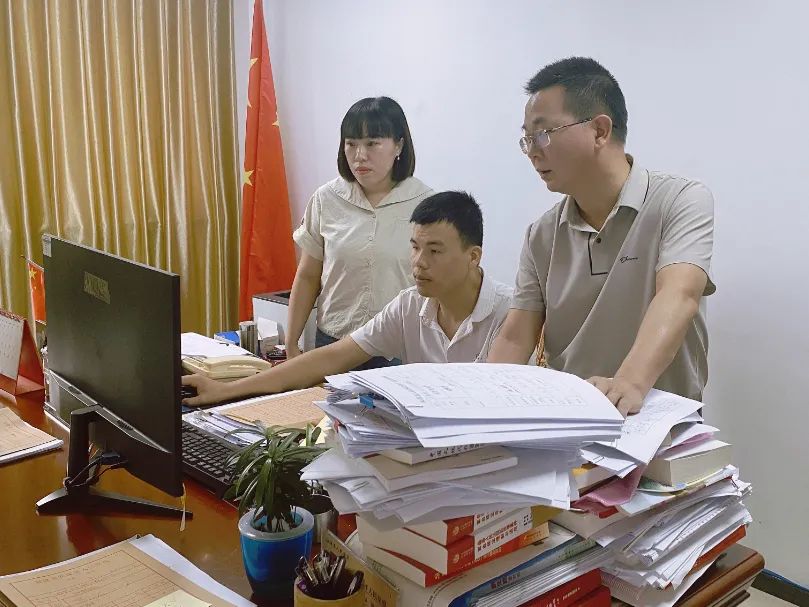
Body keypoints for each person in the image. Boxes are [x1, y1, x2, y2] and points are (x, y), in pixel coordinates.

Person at [487, 57, 715, 416]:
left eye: (543, 133)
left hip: (662, 423)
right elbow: (516, 337)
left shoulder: (679, 200)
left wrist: (630, 383)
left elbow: (679, 295)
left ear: (599, 131)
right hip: (575, 423)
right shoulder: (541, 235)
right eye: (527, 138)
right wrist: (479, 402)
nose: (532, 151)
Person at [183, 191, 512, 407]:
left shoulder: (512, 314)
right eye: (415, 247)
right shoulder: (409, 306)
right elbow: (330, 358)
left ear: (473, 256)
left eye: (435, 251)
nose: (418, 263)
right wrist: (227, 390)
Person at [285, 96, 433, 370]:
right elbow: (308, 275)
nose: (359, 155)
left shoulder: (425, 203)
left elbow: (437, 284)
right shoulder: (326, 198)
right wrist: (292, 342)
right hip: (332, 342)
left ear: (399, 145)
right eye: (351, 143)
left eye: (372, 143)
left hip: (398, 350)